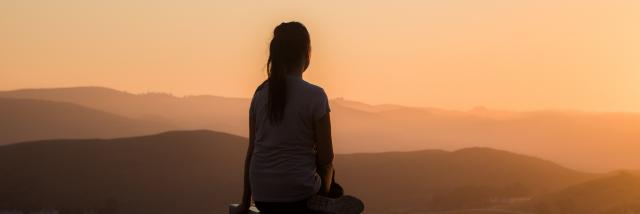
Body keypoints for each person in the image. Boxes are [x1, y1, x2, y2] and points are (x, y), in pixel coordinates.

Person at [235, 22, 364, 214]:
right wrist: (325, 191)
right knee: (333, 180)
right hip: (300, 198)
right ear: (307, 54)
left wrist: (246, 203)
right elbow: (326, 158)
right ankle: (324, 201)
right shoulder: (315, 96)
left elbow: (252, 151)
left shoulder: (260, 93)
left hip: (263, 198)